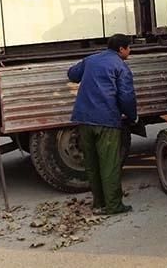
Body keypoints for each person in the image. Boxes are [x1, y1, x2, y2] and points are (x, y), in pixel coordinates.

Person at [67, 33, 136, 215]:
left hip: (83, 119)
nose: (130, 51)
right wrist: (132, 116)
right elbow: (126, 96)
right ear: (121, 49)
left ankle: (98, 204)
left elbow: (72, 74)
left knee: (92, 163)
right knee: (109, 164)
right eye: (129, 48)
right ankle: (113, 206)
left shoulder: (91, 59)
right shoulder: (120, 67)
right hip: (106, 120)